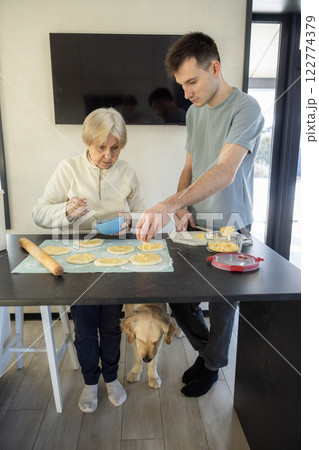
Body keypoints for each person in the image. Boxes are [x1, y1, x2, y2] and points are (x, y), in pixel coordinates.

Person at [136, 32, 264, 397]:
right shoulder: (193, 113)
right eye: (181, 84)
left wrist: (169, 204)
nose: (186, 92)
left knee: (223, 304)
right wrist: (182, 204)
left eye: (191, 81)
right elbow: (189, 168)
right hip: (194, 224)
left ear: (215, 68)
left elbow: (225, 171)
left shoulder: (246, 109)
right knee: (179, 296)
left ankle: (211, 365)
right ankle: (209, 354)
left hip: (232, 226)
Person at [33, 107, 145, 412]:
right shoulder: (68, 169)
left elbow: (144, 218)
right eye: (101, 147)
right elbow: (39, 212)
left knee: (111, 327)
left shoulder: (128, 173)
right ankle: (90, 382)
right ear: (88, 142)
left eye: (115, 148)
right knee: (84, 328)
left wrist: (131, 220)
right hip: (78, 262)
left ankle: (111, 378)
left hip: (115, 262)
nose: (108, 155)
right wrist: (65, 211)